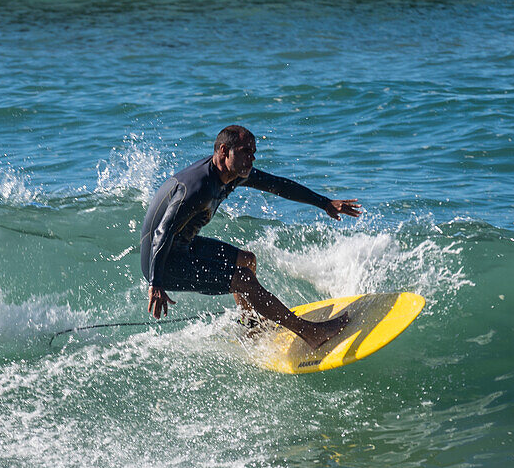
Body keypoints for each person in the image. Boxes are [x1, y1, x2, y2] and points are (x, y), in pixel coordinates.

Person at [140, 125, 362, 349]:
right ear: (225, 151)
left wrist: (324, 203)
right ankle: (311, 333)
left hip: (182, 246)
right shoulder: (197, 188)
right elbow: (162, 231)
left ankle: (250, 325)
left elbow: (278, 185)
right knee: (244, 279)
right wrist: (156, 283)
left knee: (247, 261)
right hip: (163, 262)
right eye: (246, 151)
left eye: (253, 153)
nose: (252, 158)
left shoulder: (231, 173)